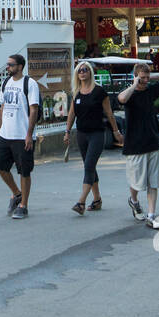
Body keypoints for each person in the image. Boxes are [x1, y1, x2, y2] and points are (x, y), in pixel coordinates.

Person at [117, 63, 159, 230]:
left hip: (153, 141)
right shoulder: (130, 94)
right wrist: (135, 83)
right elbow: (121, 99)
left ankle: (151, 215)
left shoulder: (152, 89)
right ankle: (134, 201)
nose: (145, 81)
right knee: (136, 182)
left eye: (146, 78)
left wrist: (151, 77)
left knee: (153, 182)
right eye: (142, 78)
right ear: (135, 77)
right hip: (135, 144)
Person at [64, 60, 122, 214]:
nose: (82, 72)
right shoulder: (76, 92)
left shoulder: (99, 91)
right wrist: (67, 131)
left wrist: (116, 131)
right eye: (79, 71)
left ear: (90, 72)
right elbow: (71, 113)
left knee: (89, 166)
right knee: (90, 167)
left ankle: (81, 202)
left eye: (85, 70)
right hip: (82, 134)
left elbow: (109, 113)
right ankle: (97, 200)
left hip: (97, 133)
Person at [0, 53, 42, 219]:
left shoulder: (30, 84)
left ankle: (23, 205)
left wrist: (29, 134)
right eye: (7, 64)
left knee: (24, 171)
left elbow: (33, 109)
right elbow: (3, 106)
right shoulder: (6, 82)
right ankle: (16, 192)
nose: (8, 67)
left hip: (22, 135)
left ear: (20, 66)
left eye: (11, 65)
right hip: (6, 133)